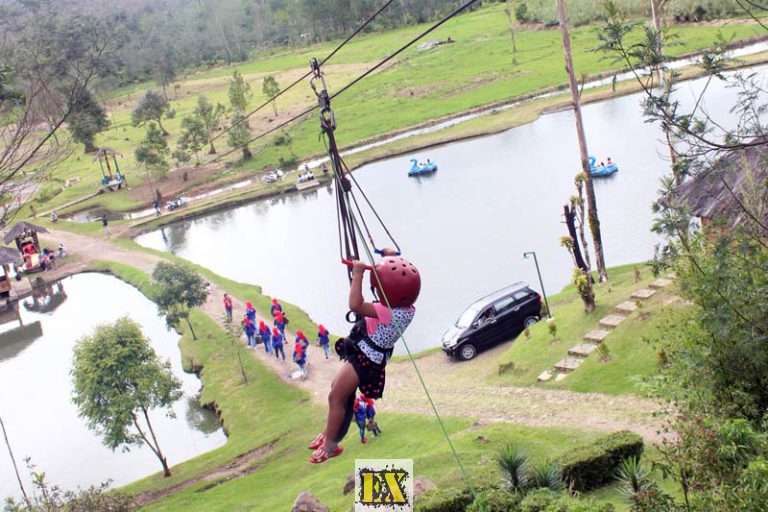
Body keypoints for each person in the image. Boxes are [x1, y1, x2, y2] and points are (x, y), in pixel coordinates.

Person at [308, 250, 420, 463]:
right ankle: (330, 433)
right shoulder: (407, 308)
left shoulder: (388, 311)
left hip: (366, 358)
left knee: (336, 397)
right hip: (369, 354)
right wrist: (389, 255)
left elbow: (355, 305)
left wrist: (358, 273)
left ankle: (331, 445)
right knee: (336, 390)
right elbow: (401, 276)